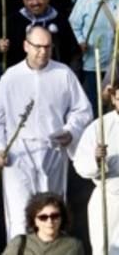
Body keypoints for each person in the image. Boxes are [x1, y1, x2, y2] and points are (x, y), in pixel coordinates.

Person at [0, 25, 92, 238]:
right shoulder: (11, 77)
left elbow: (83, 110)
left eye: (47, 47)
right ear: (26, 45)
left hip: (52, 151)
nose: (42, 52)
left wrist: (70, 131)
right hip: (19, 155)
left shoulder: (63, 73)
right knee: (20, 214)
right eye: (37, 46)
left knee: (51, 213)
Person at [74, 84, 119, 255]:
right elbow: (80, 165)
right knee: (104, 249)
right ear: (114, 99)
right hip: (108, 200)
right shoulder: (101, 126)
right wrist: (96, 159)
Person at [0, 192, 84, 255]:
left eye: (55, 216)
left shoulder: (73, 245)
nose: (49, 221)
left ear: (62, 217)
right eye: (43, 217)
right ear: (34, 220)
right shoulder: (20, 242)